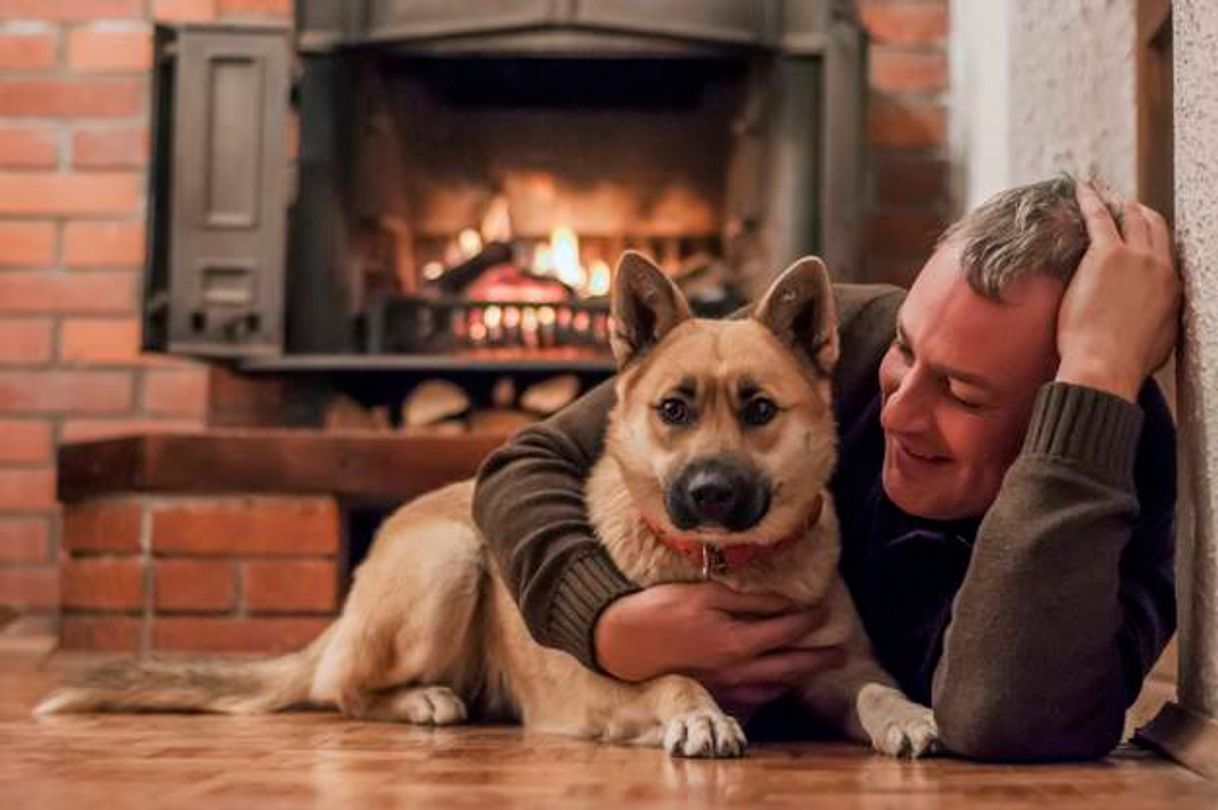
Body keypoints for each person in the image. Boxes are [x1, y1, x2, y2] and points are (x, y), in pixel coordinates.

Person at [471, 176, 1180, 761]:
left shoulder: (1122, 496)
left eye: (961, 393)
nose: (898, 410)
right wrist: (607, 624)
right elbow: (521, 466)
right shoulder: (827, 343)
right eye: (907, 350)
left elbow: (1006, 717)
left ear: (1052, 414)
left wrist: (1094, 375)